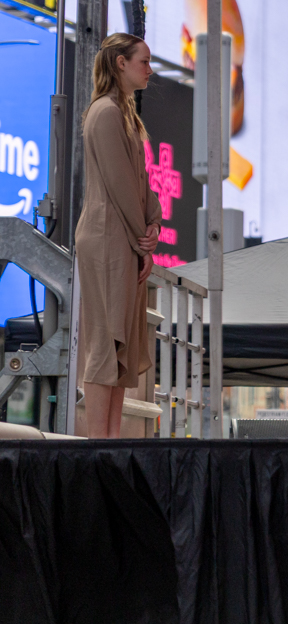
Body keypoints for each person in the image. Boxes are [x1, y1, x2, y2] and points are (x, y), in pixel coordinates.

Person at [75, 34, 162, 438]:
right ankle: (98, 441)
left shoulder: (122, 112)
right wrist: (143, 237)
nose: (149, 69)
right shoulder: (106, 112)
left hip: (121, 235)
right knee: (104, 341)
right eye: (143, 61)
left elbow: (141, 184)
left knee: (118, 343)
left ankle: (107, 439)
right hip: (109, 235)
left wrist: (153, 225)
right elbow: (121, 184)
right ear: (120, 63)